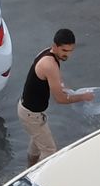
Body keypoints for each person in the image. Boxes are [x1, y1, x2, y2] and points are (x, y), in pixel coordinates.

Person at [19, 29, 90, 165]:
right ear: (55, 46)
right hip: (31, 115)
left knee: (36, 143)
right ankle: (37, 182)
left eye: (70, 51)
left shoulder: (47, 53)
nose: (67, 55)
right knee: (49, 151)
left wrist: (63, 87)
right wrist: (83, 97)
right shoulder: (50, 65)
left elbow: (53, 80)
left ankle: (29, 169)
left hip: (28, 110)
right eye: (64, 51)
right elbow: (60, 99)